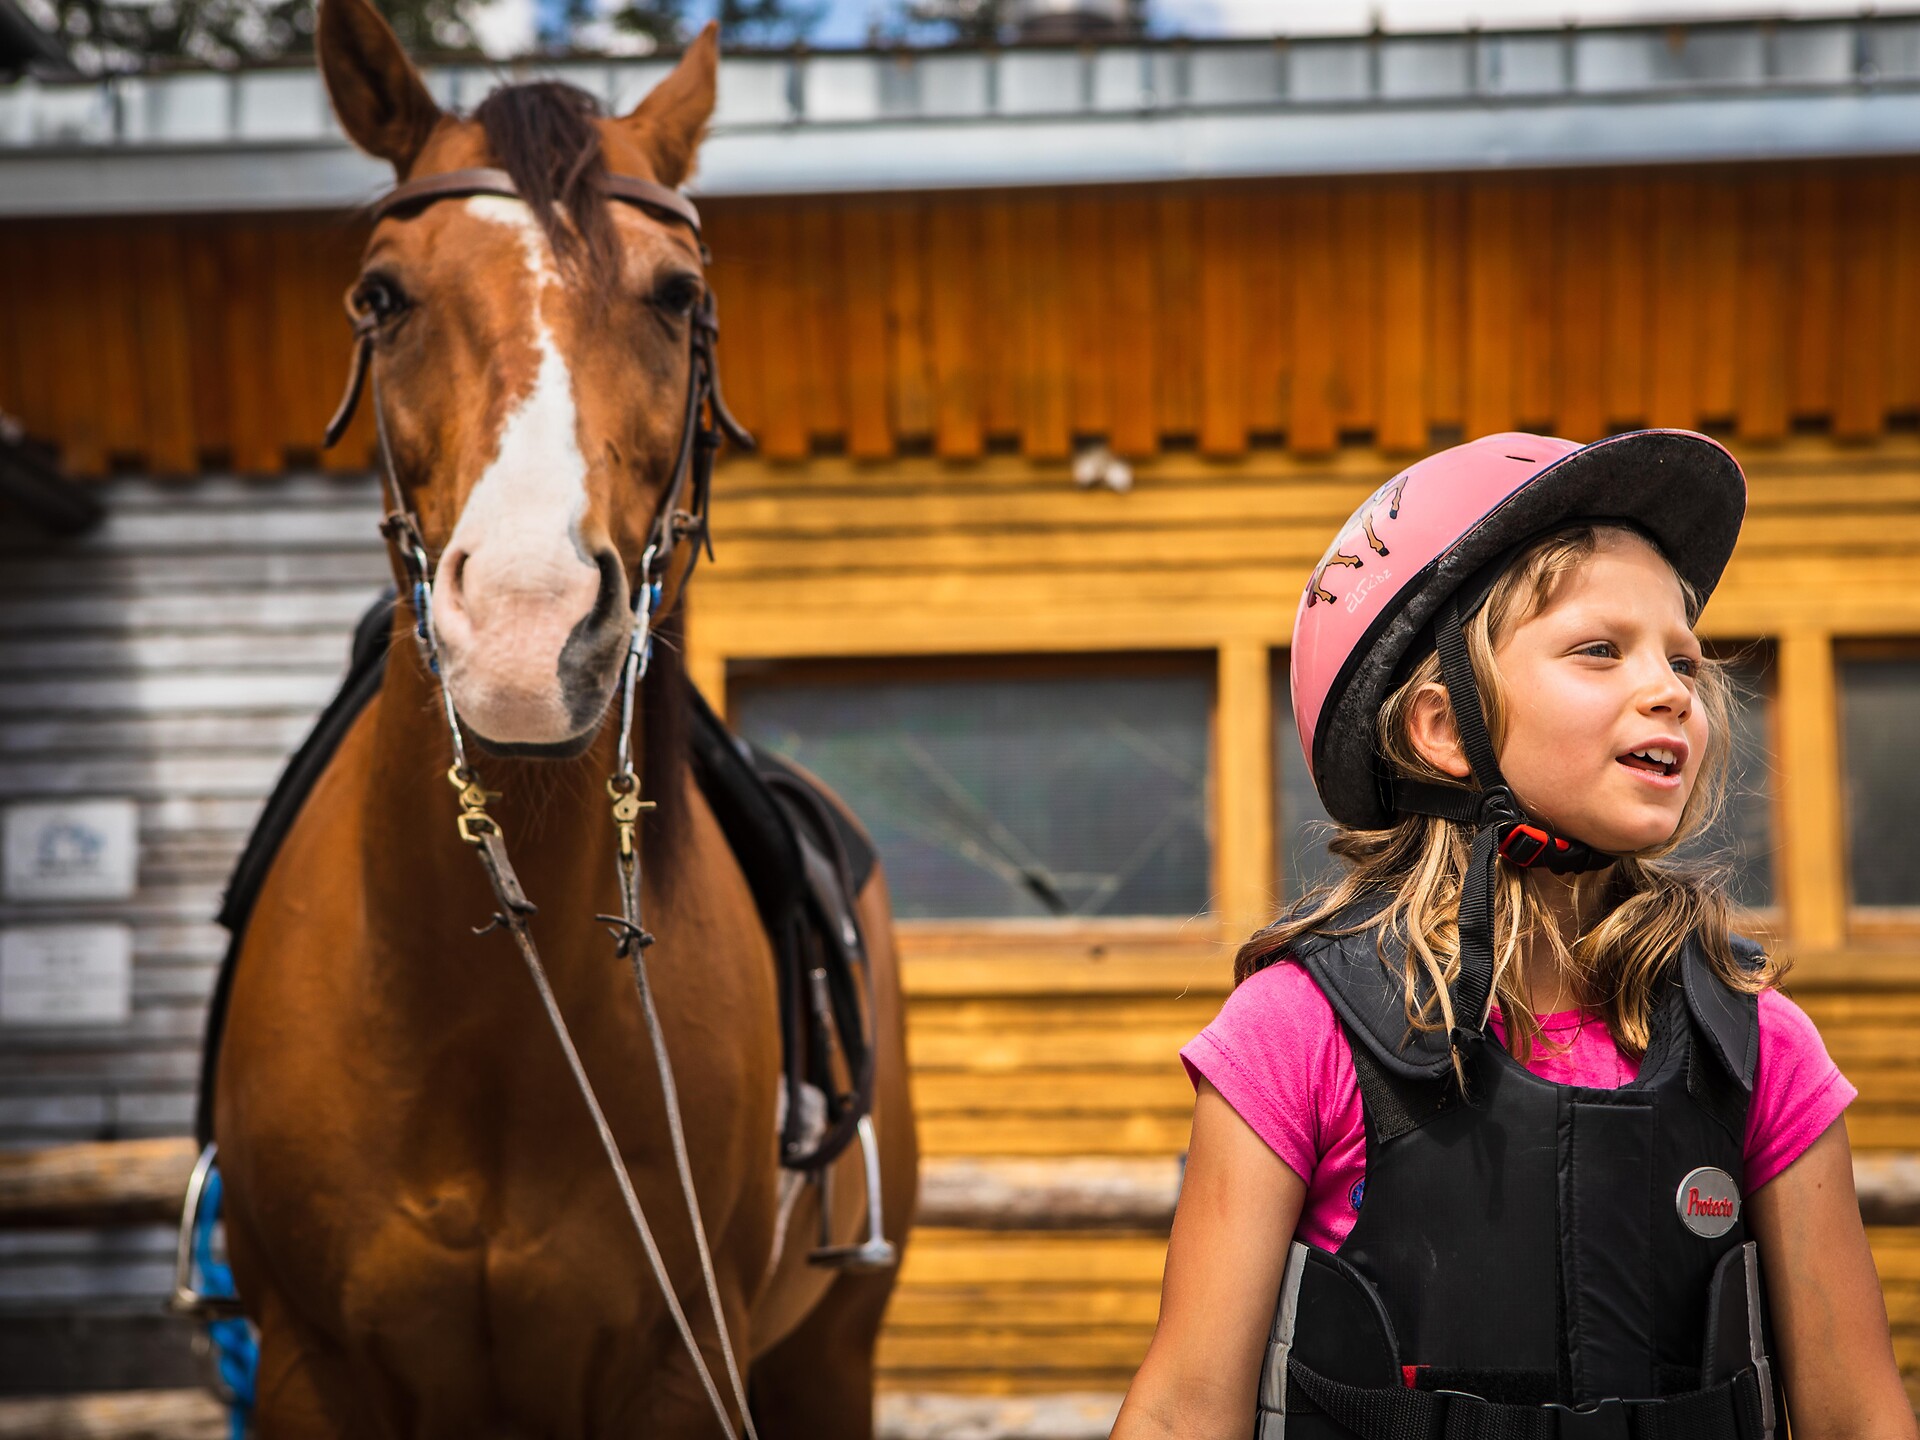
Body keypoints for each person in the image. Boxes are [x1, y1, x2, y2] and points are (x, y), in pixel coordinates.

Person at [1111, 431, 1917, 1440]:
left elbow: (1858, 1416)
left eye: (1682, 659)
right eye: (1599, 650)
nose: (1673, 689)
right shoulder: (1296, 1032)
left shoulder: (1758, 1046)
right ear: (1445, 728)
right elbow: (1185, 1409)